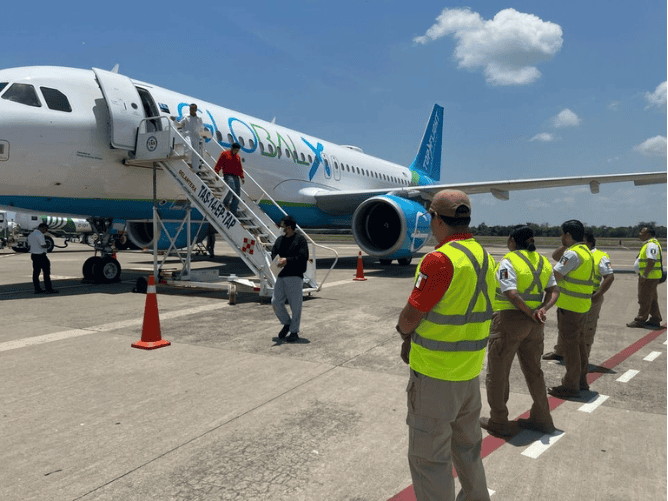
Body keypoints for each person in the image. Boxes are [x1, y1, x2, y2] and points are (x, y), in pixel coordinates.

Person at [396, 189, 494, 501]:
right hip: (469, 373)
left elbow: (411, 316)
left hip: (435, 376)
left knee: (430, 460)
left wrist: (403, 333)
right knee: (468, 450)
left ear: (436, 219)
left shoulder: (439, 260)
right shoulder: (484, 256)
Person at [479, 226, 559, 438]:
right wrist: (542, 309)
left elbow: (511, 293)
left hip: (509, 321)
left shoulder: (509, 261)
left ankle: (498, 421)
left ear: (513, 241)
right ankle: (542, 418)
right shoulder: (542, 261)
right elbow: (554, 290)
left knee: (498, 373)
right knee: (534, 371)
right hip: (535, 324)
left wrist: (530, 312)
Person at [543, 230, 614, 361]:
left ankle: (583, 357)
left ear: (587, 241)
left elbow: (609, 277)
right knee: (565, 327)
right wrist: (565, 244)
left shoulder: (600, 256)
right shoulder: (573, 252)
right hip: (570, 297)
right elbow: (555, 256)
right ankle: (560, 352)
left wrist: (598, 295)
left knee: (587, 328)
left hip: (590, 297)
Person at [546, 220, 594, 399]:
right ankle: (581, 381)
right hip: (582, 305)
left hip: (570, 306)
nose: (560, 237)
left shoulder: (572, 254)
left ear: (567, 235)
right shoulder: (586, 252)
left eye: (562, 234)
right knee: (579, 345)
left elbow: (555, 275)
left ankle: (570, 385)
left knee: (571, 347)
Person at [271, 215, 309, 343]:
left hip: (294, 275)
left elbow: (303, 256)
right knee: (275, 301)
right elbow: (273, 253)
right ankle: (287, 323)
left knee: (295, 306)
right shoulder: (279, 240)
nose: (280, 228)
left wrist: (287, 260)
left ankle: (294, 332)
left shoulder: (300, 240)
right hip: (281, 276)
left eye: (282, 226)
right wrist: (277, 261)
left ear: (289, 227)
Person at [626, 226, 663, 328]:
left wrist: (644, 275)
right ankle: (655, 319)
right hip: (651, 276)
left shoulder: (651, 245)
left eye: (642, 233)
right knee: (652, 299)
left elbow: (651, 261)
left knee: (644, 299)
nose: (639, 234)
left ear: (648, 234)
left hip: (649, 277)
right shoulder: (651, 244)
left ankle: (640, 320)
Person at [170, 103, 205, 172]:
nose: (191, 110)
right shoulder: (186, 117)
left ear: (195, 110)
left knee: (196, 153)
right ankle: (189, 163)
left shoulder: (199, 118)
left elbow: (201, 128)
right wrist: (174, 120)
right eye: (190, 109)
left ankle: (196, 169)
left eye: (193, 109)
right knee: (189, 149)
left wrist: (204, 134)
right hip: (188, 135)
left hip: (196, 137)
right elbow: (179, 125)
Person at [215, 143, 245, 215]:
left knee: (237, 194)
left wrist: (242, 177)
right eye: (235, 150)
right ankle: (225, 203)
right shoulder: (225, 154)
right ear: (232, 148)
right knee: (231, 189)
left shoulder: (237, 157)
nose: (236, 152)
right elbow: (219, 163)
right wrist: (216, 171)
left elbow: (239, 168)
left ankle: (233, 211)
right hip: (228, 175)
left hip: (236, 176)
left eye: (237, 150)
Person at [28, 223, 58, 294]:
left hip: (34, 255)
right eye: (46, 229)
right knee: (46, 273)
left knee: (36, 273)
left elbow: (28, 245)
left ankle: (37, 289)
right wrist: (48, 244)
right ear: (42, 228)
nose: (46, 231)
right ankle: (48, 289)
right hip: (41, 255)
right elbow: (43, 245)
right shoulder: (40, 234)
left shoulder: (31, 235)